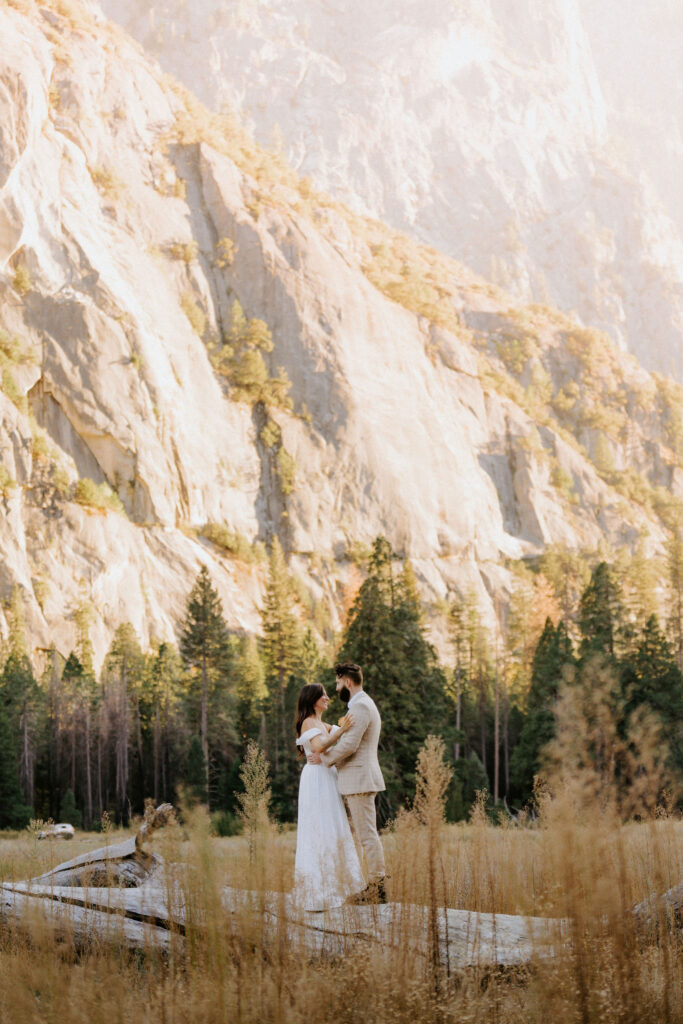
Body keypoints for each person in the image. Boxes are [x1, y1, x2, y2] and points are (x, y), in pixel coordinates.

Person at [307, 662, 387, 904]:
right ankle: (374, 885)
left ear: (348, 682)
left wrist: (324, 758)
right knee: (365, 834)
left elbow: (351, 745)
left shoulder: (360, 706)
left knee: (367, 835)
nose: (337, 688)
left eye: (338, 683)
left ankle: (377, 888)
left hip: (361, 779)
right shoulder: (360, 704)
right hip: (359, 778)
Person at [293, 682, 365, 911]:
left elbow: (339, 746)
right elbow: (320, 746)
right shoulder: (308, 723)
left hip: (328, 777)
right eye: (322, 695)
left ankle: (342, 887)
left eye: (326, 694)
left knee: (335, 826)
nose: (327, 697)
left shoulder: (324, 724)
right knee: (319, 827)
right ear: (312, 699)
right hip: (315, 780)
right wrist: (342, 730)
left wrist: (346, 728)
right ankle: (318, 893)